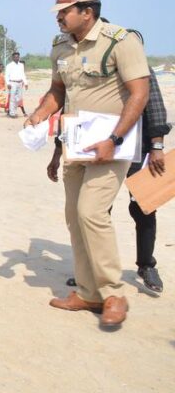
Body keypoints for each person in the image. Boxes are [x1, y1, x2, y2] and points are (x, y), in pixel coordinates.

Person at [24, 0, 150, 328]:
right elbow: (58, 90)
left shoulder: (120, 41)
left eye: (64, 12)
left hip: (111, 146)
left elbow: (140, 93)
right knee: (74, 218)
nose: (59, 18)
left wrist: (115, 137)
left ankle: (113, 293)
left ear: (87, 12)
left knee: (91, 212)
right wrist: (39, 113)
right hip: (75, 144)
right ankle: (88, 292)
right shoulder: (60, 46)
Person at [47, 28, 167, 294]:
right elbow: (71, 111)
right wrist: (58, 151)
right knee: (97, 209)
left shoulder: (133, 65)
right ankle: (90, 273)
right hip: (95, 148)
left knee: (142, 208)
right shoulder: (92, 71)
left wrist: (157, 146)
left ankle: (146, 264)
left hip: (136, 148)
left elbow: (154, 105)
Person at [5, 51, 27, 118]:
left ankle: (12, 111)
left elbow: (23, 74)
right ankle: (12, 113)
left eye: (18, 57)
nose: (17, 58)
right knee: (12, 98)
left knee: (19, 98)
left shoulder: (21, 65)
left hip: (20, 83)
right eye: (15, 57)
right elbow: (6, 75)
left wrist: (26, 83)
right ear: (13, 57)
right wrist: (8, 83)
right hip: (12, 83)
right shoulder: (9, 65)